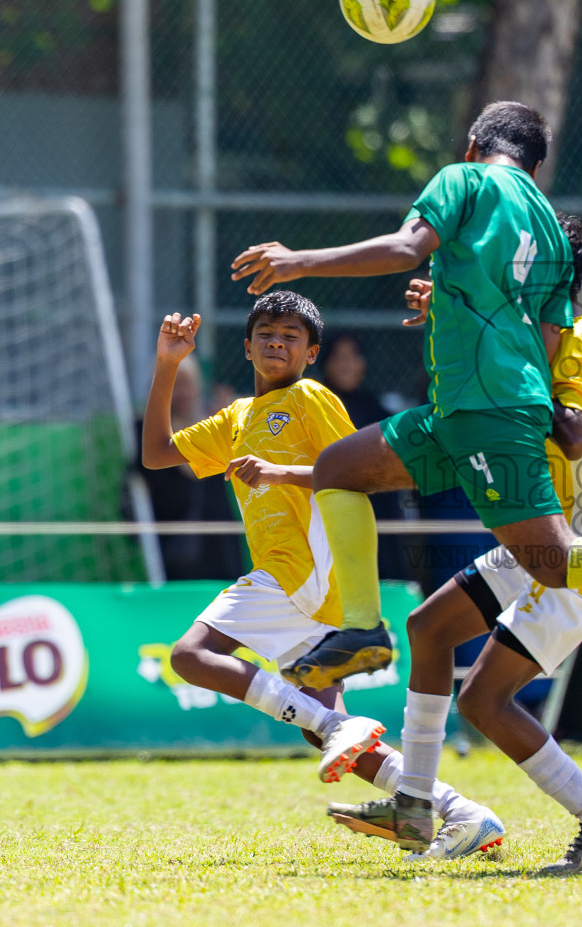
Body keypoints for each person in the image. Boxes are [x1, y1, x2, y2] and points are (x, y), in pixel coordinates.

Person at [229, 102, 582, 866]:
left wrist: (301, 262)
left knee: (522, 624)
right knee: (415, 603)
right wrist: (462, 313)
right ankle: (416, 800)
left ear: (472, 145)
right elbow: (543, 344)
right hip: (469, 418)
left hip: (554, 493)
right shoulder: (548, 238)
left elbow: (412, 251)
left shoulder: (466, 182)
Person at [327, 213, 582, 873]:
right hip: (545, 537)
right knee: (429, 627)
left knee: (483, 700)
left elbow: (575, 431)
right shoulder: (537, 336)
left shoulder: (576, 342)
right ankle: (414, 804)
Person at [141, 291, 504, 858]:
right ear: (247, 345)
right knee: (319, 723)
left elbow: (356, 472)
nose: (276, 341)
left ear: (311, 353)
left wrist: (280, 472)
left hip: (303, 571)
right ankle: (460, 813)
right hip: (297, 586)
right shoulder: (236, 417)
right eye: (266, 332)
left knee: (191, 655)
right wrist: (168, 363)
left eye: (291, 335)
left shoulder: (310, 396)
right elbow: (158, 453)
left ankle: (342, 731)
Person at [316, 331, 414, 584]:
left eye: (353, 356)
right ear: (325, 362)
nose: (346, 364)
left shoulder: (376, 410)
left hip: (376, 511)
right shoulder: (315, 406)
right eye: (338, 357)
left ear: (363, 364)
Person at [132, 359, 244, 581]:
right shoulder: (146, 433)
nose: (182, 392)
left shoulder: (217, 424)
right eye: (174, 385)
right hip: (172, 550)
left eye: (187, 384)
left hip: (219, 549)